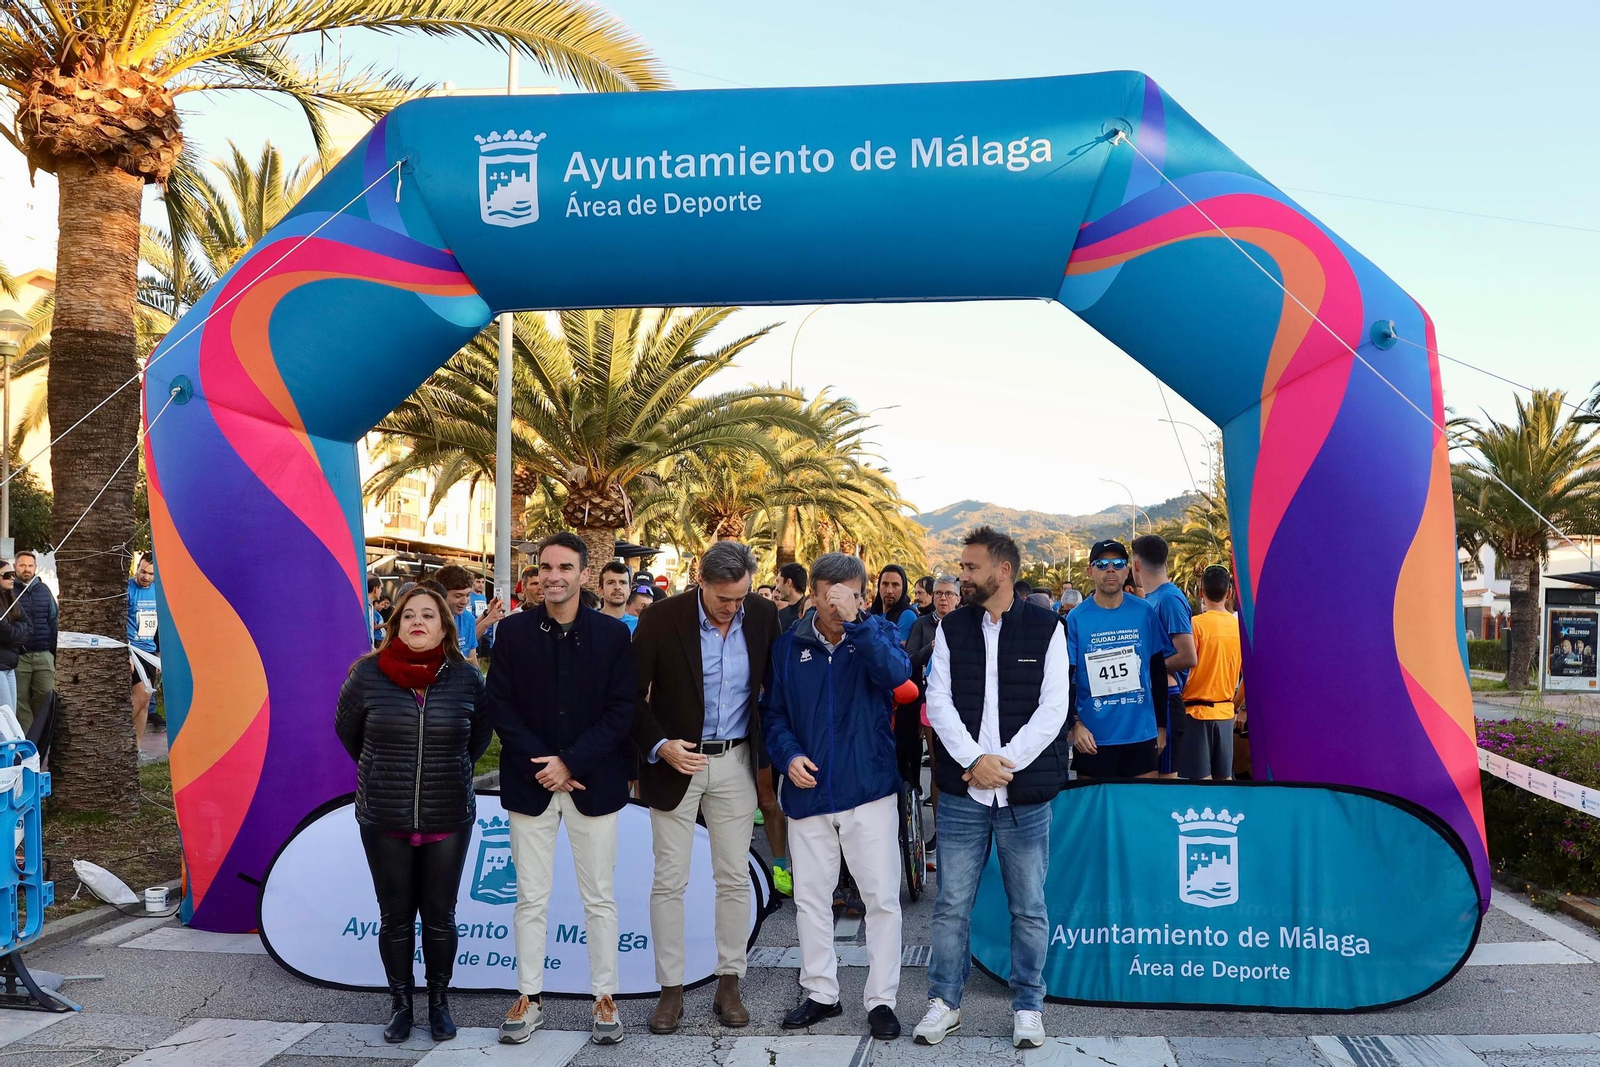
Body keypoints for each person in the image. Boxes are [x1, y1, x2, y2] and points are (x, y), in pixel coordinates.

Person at [918, 527, 1068, 1050]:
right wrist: (974, 761)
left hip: (1022, 797)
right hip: (964, 794)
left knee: (1028, 906)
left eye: (971, 567)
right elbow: (937, 702)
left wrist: (1004, 765)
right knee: (951, 904)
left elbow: (1055, 708)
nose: (963, 576)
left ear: (1003, 571)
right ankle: (944, 1001)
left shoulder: (1048, 628)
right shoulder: (950, 628)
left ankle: (1029, 1005)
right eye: (962, 568)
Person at [487, 533, 637, 1047]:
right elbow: (500, 707)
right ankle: (529, 996)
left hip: (592, 783)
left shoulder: (614, 637)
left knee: (599, 898)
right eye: (545, 567)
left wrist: (571, 761)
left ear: (582, 574)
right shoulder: (511, 633)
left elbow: (622, 711)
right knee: (530, 897)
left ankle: (605, 997)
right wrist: (545, 766)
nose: (553, 575)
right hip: (531, 786)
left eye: (564, 567)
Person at [631, 541, 780, 1035]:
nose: (732, 608)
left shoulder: (761, 615)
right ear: (701, 581)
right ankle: (670, 991)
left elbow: (773, 689)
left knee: (734, 877)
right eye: (723, 599)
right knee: (670, 880)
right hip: (676, 763)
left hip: (736, 762)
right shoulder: (660, 618)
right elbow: (629, 697)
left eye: (739, 598)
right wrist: (660, 745)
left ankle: (728, 982)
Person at [763, 552, 911, 1040]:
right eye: (825, 596)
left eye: (842, 596)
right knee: (809, 898)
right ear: (812, 595)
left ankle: (881, 999)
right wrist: (787, 757)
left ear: (860, 595)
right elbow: (775, 715)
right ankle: (821, 992)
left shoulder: (880, 635)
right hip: (808, 795)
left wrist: (858, 624)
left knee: (882, 898)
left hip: (867, 791)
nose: (832, 606)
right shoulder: (788, 647)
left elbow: (895, 676)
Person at [335, 585, 491, 1044]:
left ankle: (439, 1003)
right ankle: (401, 1006)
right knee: (396, 917)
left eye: (428, 615)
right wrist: (388, 773)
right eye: (408, 616)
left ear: (445, 626)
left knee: (441, 916)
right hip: (385, 815)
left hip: (448, 814)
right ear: (395, 624)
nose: (418, 622)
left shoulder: (466, 679)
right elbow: (349, 735)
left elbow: (477, 741)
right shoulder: (366, 675)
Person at [1065, 539, 1174, 781]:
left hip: (1141, 735)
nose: (1110, 569)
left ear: (1128, 569)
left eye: (1117, 563)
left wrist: (1162, 727)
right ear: (1090, 571)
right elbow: (1065, 679)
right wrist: (1074, 724)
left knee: (1140, 812)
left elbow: (1158, 669)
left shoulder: (1144, 611)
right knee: (1096, 816)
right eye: (1102, 564)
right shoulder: (1076, 618)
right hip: (1093, 739)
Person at [905, 574, 960, 871]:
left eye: (949, 594)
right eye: (938, 593)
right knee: (938, 768)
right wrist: (933, 647)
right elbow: (909, 659)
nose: (942, 598)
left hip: (964, 705)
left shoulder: (967, 622)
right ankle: (941, 830)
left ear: (959, 597)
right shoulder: (922, 624)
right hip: (929, 704)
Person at [1130, 535, 1197, 779]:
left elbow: (1188, 655)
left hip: (1167, 700)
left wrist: (1150, 668)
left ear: (1136, 565)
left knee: (1165, 781)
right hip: (1150, 699)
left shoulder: (1169, 598)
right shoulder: (1151, 599)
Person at [1180, 566, 1245, 781]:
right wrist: (1234, 705)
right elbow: (1247, 679)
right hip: (1225, 713)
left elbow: (1183, 666)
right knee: (1224, 781)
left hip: (1196, 714)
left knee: (1200, 785)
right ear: (1229, 593)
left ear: (1201, 592)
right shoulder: (1239, 628)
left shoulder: (1195, 625)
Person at [12, 550, 57, 729]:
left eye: (30, 566)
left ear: (35, 568)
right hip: (19, 656)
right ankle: (28, 740)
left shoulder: (44, 591)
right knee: (19, 700)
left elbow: (54, 621)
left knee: (46, 695)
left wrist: (54, 651)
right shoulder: (8, 591)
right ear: (15, 566)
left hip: (43, 654)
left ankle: (40, 734)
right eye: (22, 565)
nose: (26, 569)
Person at [128, 554, 161, 738]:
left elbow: (160, 625)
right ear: (137, 568)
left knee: (146, 704)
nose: (146, 577)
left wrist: (158, 653)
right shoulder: (128, 589)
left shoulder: (157, 591)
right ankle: (117, 735)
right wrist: (127, 653)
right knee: (143, 695)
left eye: (150, 573)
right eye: (143, 571)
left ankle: (137, 748)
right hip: (133, 649)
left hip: (149, 651)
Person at [0, 564, 33, 716]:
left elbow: (30, 627)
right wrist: (18, 630)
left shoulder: (13, 599)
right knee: (5, 716)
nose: (12, 577)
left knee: (11, 715)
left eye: (12, 574)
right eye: (7, 575)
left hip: (10, 665)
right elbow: (7, 633)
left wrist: (15, 630)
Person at [869, 564, 918, 644]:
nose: (889, 591)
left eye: (895, 585)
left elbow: (898, 650)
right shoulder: (874, 612)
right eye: (885, 584)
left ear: (903, 588)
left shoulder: (907, 615)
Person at [598, 560, 638, 633]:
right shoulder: (588, 622)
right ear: (601, 589)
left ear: (629, 589)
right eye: (611, 582)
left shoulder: (638, 626)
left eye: (623, 582)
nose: (617, 587)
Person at [775, 562, 808, 633]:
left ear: (788, 582)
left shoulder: (811, 614)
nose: (776, 588)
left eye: (778, 582)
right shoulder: (780, 615)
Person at [368, 577, 387, 647]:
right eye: (380, 588)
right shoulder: (366, 606)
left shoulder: (370, 606)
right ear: (375, 589)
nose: (381, 591)